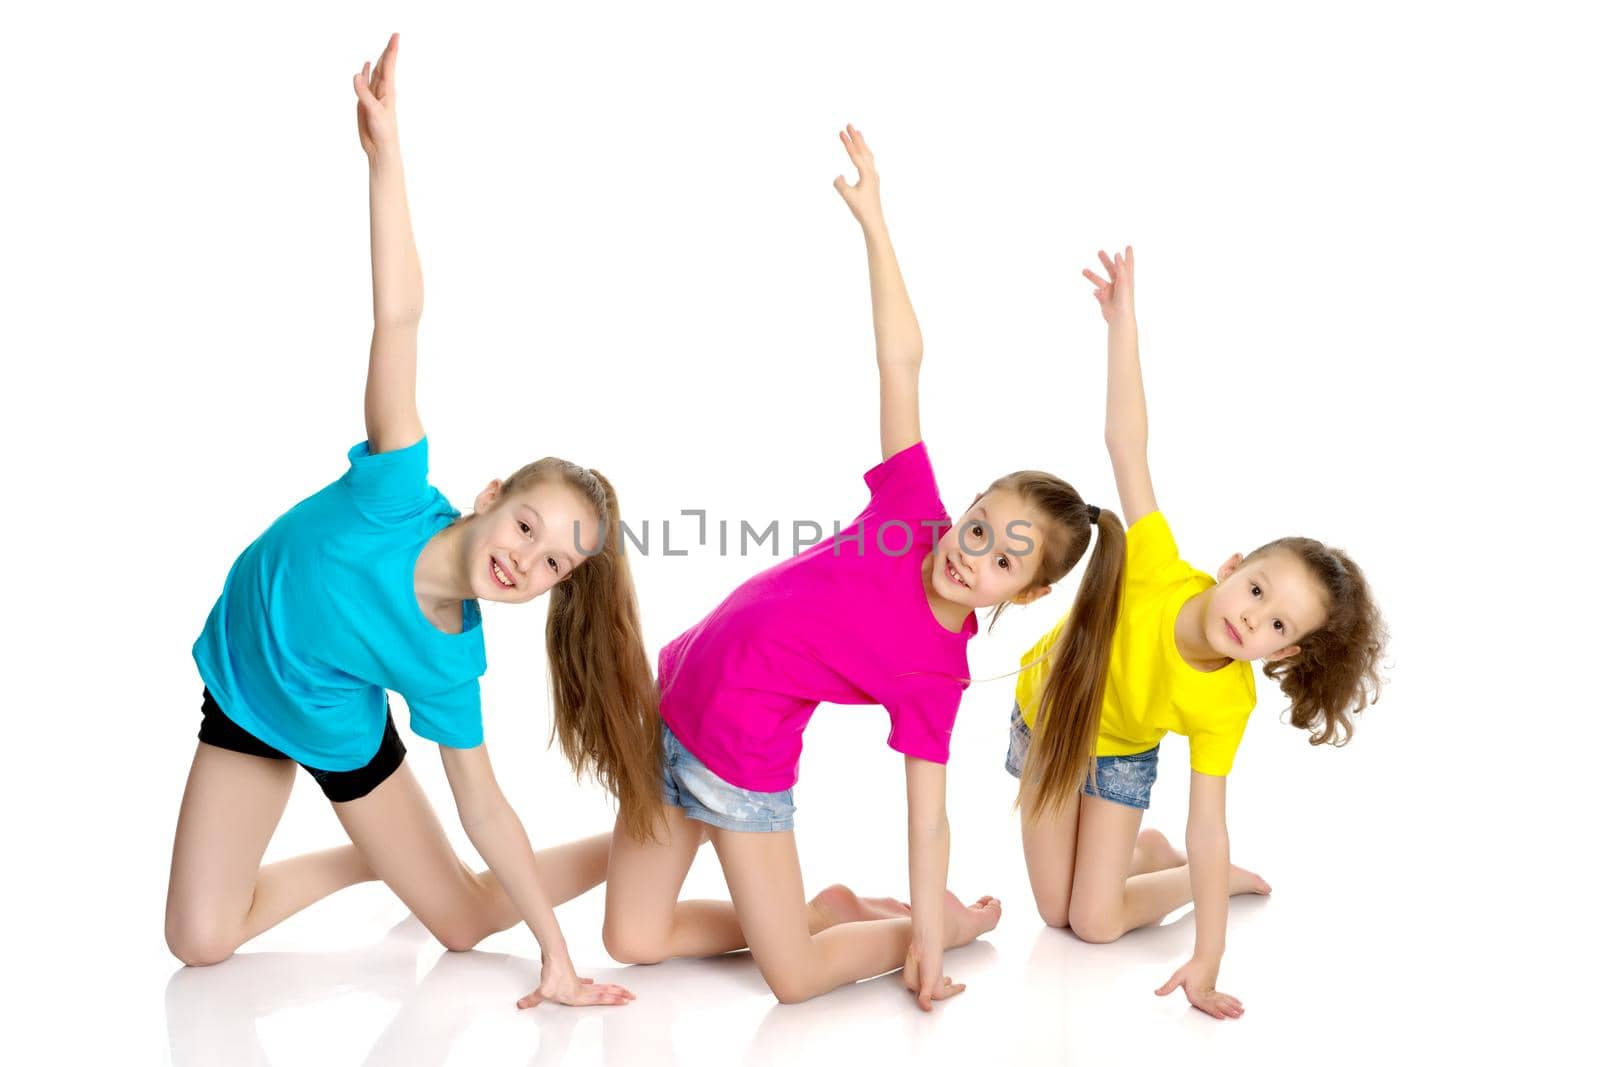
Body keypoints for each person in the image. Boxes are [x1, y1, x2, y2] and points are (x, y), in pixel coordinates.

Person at [164, 35, 655, 1009]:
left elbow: (487, 806)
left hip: (342, 729)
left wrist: (556, 958)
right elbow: (400, 317)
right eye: (527, 527)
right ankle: (364, 858)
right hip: (251, 689)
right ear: (487, 495)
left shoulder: (450, 662)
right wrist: (386, 157)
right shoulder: (396, 484)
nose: (528, 560)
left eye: (555, 562)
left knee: (469, 922)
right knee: (200, 940)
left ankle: (651, 832)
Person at [1007, 245, 1388, 1018]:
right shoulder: (1154, 559)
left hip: (1117, 754)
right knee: (1053, 914)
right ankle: (1137, 859)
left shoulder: (1227, 703)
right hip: (1050, 722)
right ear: (1232, 565)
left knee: (1095, 923)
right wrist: (1123, 325)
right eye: (1256, 589)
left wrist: (1207, 953)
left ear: (1281, 651)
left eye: (1275, 622)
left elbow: (1207, 823)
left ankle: (1172, 875)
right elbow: (1126, 443)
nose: (1250, 615)